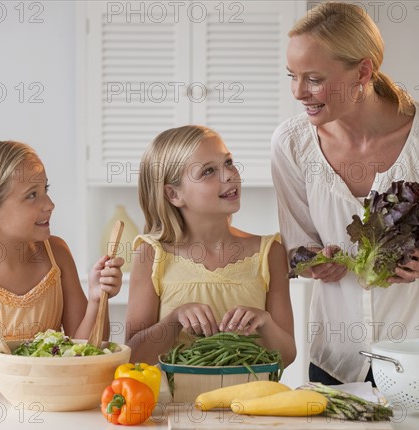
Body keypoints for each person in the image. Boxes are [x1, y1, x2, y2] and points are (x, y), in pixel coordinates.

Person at [271, 2, 419, 385]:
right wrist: (313, 261)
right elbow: (296, 246)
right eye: (292, 76)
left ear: (364, 71)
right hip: (338, 359)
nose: (298, 92)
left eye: (314, 79)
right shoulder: (291, 144)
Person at [0, 140, 124, 391]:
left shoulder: (56, 255)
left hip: (44, 409)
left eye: (45, 189)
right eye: (31, 195)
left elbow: (87, 351)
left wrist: (96, 299)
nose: (49, 204)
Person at [125, 125, 296, 366]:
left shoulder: (270, 253)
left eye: (228, 162)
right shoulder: (151, 254)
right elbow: (133, 355)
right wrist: (174, 320)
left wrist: (265, 323)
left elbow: (287, 356)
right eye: (208, 171)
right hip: (174, 404)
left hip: (250, 402)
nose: (228, 175)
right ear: (174, 194)